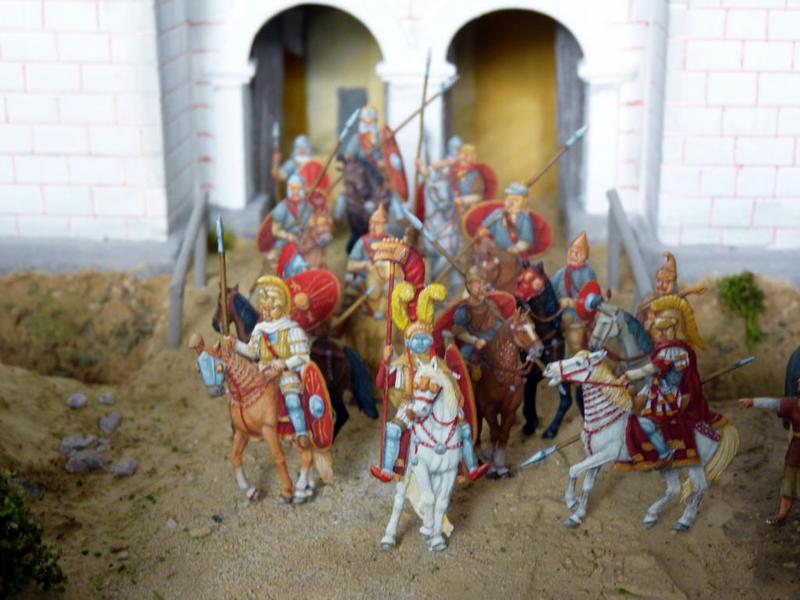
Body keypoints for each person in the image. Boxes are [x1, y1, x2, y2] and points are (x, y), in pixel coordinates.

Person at [371, 282, 489, 483]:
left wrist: (457, 402)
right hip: (412, 405)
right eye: (415, 339)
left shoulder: (440, 365)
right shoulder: (405, 366)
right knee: (393, 429)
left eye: (424, 338)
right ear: (408, 342)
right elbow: (383, 382)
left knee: (464, 429)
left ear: (430, 340)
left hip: (438, 406)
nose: (420, 343)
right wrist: (385, 361)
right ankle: (388, 470)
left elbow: (453, 386)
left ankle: (470, 467)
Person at [618, 295, 719, 470]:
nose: (658, 333)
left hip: (668, 394)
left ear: (673, 329)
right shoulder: (666, 348)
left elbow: (652, 369)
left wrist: (628, 375)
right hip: (656, 388)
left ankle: (664, 453)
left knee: (643, 422)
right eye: (658, 329)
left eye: (663, 329)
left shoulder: (674, 350)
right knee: (631, 409)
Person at [228, 276, 312, 446]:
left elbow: (303, 356)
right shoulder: (260, 329)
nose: (266, 312)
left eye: (271, 308)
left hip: (286, 374)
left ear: (281, 307)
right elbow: (253, 352)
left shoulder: (292, 330)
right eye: (265, 308)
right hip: (263, 374)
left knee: (292, 400)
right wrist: (235, 344)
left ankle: (301, 432)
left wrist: (285, 363)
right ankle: (251, 428)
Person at [450, 266, 505, 374]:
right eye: (477, 284)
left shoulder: (490, 301)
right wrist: (475, 341)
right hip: (479, 340)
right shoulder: (463, 310)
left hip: (498, 336)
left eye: (483, 283)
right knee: (464, 357)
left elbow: (500, 321)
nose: (481, 287)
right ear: (469, 287)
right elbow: (459, 332)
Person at [552, 231, 598, 354]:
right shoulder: (560, 273)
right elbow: (552, 291)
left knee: (576, 348)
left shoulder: (588, 273)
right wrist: (558, 301)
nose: (573, 255)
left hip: (578, 318)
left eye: (577, 253)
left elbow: (591, 299)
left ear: (584, 255)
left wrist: (573, 303)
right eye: (571, 252)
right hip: (560, 315)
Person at [477, 182, 535, 257]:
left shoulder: (524, 220)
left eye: (516, 200)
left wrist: (515, 249)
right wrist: (484, 232)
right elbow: (487, 227)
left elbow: (525, 241)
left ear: (523, 203)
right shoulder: (498, 213)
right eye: (509, 199)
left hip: (511, 253)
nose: (511, 203)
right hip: (496, 249)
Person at [346, 204, 389, 287]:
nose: (372, 227)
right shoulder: (363, 241)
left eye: (377, 223)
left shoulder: (391, 241)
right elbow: (350, 265)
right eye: (371, 223)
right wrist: (364, 265)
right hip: (365, 278)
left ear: (385, 224)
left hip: (386, 280)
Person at [271, 173, 313, 254]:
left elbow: (310, 225)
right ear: (289, 189)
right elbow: (275, 230)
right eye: (293, 188)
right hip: (286, 242)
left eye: (298, 188)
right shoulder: (282, 207)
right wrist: (288, 236)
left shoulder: (308, 206)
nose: (296, 192)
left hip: (304, 241)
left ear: (302, 189)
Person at [450, 143, 495, 211]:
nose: (464, 157)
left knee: (459, 203)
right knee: (458, 206)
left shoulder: (478, 168)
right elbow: (454, 183)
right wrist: (456, 191)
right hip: (463, 196)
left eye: (468, 154)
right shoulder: (457, 169)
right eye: (463, 154)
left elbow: (487, 184)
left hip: (476, 196)